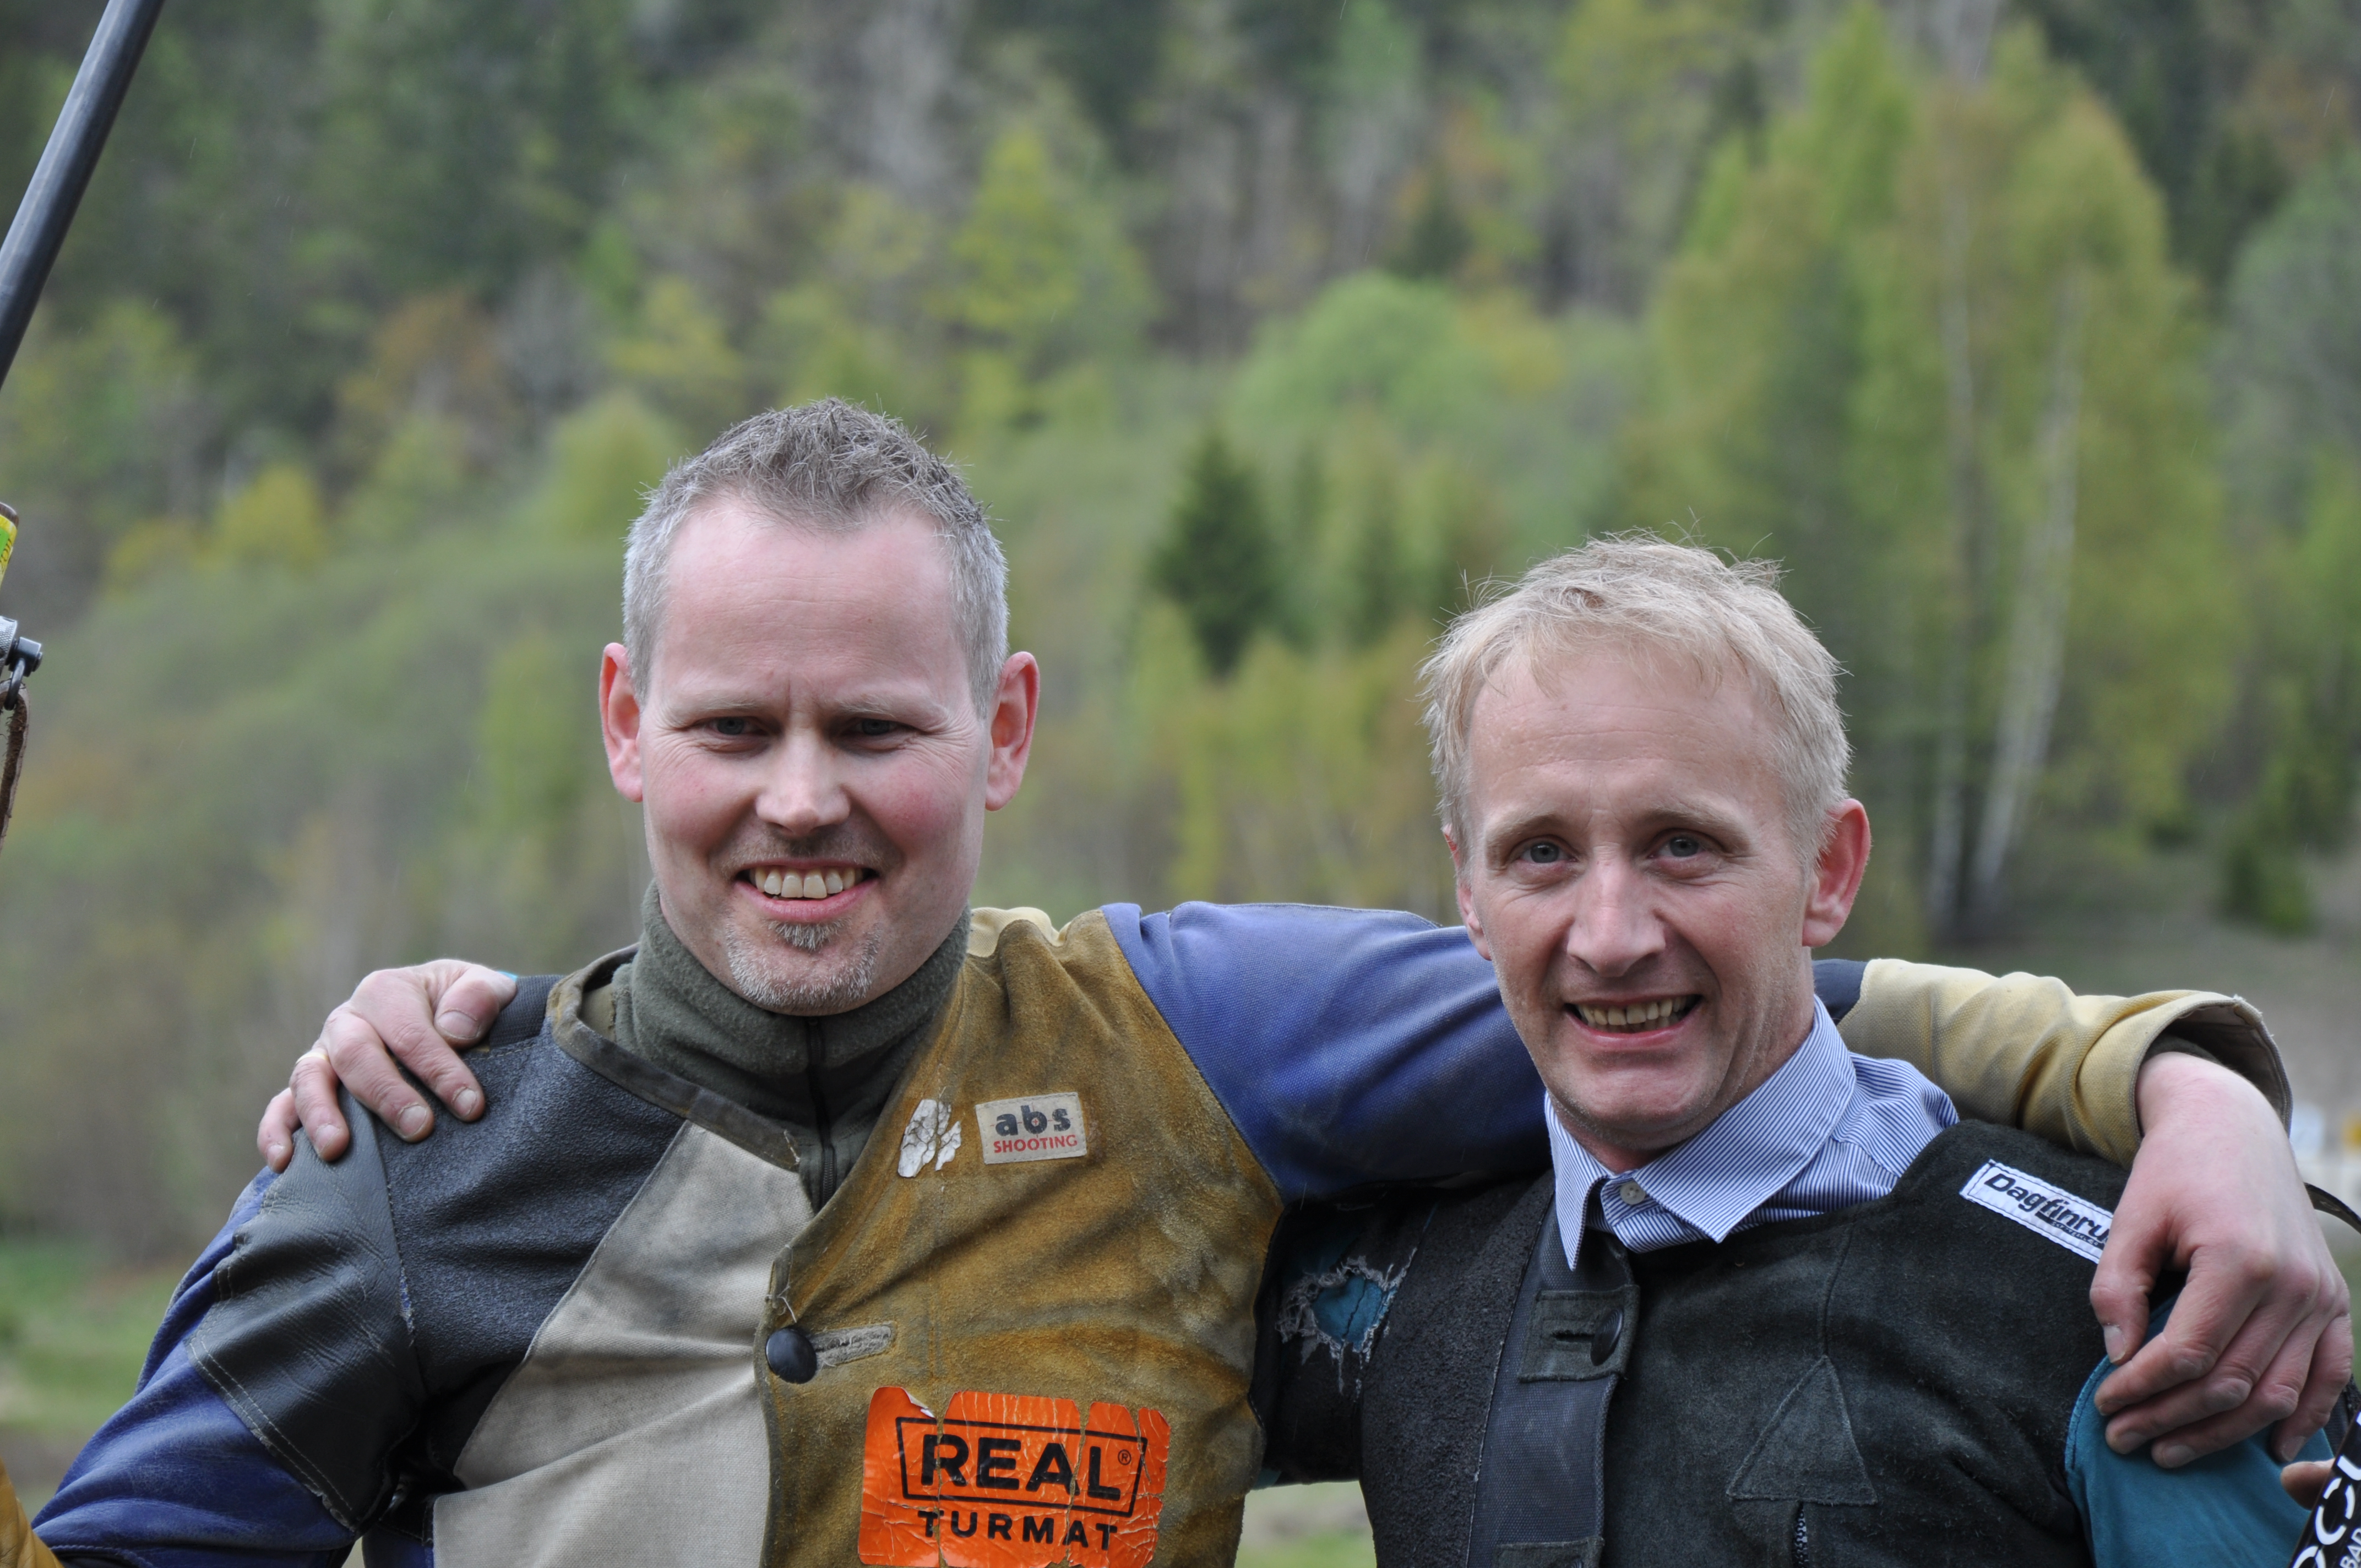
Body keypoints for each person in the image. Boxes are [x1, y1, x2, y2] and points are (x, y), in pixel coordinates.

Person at [2, 404, 2341, 1568]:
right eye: (732, 726)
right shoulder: (413, 1153)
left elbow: (1732, 1015)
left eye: (875, 725)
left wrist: (2189, 1082)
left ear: (1002, 730)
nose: (801, 797)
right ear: (626, 725)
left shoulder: (1199, 1037)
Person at [1257, 538, 2340, 1565]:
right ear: (1468, 892)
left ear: (1828, 869)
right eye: (1541, 852)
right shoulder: (1382, 1285)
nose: (1610, 937)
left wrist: (2206, 1089)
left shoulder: (2132, 1309)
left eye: (1681, 844)